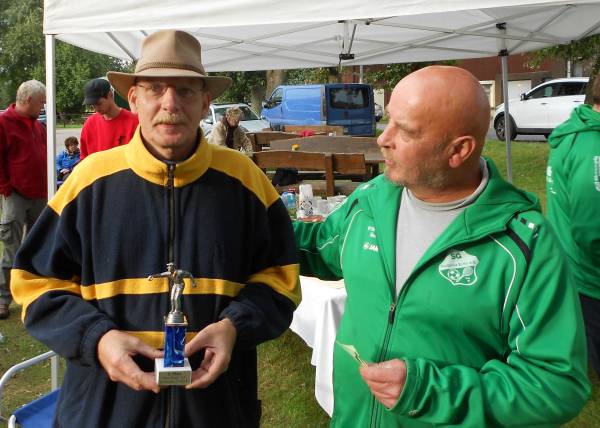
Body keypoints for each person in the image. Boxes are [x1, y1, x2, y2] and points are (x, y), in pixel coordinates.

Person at [11, 29, 299, 427]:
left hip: (215, 406)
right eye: (156, 89)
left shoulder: (245, 181)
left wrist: (235, 326)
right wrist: (98, 339)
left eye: (185, 91)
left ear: (205, 103)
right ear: (133, 98)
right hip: (104, 408)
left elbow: (280, 278)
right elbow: (34, 281)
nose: (170, 103)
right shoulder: (88, 182)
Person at [293, 66, 590, 427]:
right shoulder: (372, 201)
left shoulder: (524, 245)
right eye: (388, 122)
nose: (383, 139)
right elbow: (320, 247)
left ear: (459, 149)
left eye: (406, 131)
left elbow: (556, 385)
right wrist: (250, 229)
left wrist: (429, 391)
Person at [546, 74, 600, 378]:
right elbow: (592, 227)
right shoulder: (593, 147)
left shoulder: (576, 132)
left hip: (575, 267)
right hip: (591, 276)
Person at [0, 80, 47, 320]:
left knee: (38, 246)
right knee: (12, 247)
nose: (44, 105)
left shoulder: (39, 126)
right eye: (41, 102)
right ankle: (3, 299)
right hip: (16, 196)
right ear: (28, 100)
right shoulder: (4, 122)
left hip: (40, 195)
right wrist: (6, 187)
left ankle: (33, 293)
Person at [80, 78, 138, 159]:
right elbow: (84, 158)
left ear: (110, 95)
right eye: (92, 105)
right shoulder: (89, 124)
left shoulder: (134, 122)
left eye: (99, 104)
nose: (96, 109)